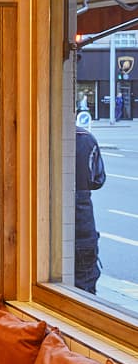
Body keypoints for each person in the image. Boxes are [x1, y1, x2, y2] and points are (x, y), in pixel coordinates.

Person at [75, 126, 106, 294]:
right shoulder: (86, 138)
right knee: (84, 288)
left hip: (42, 225)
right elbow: (98, 180)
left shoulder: (37, 138)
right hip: (82, 224)